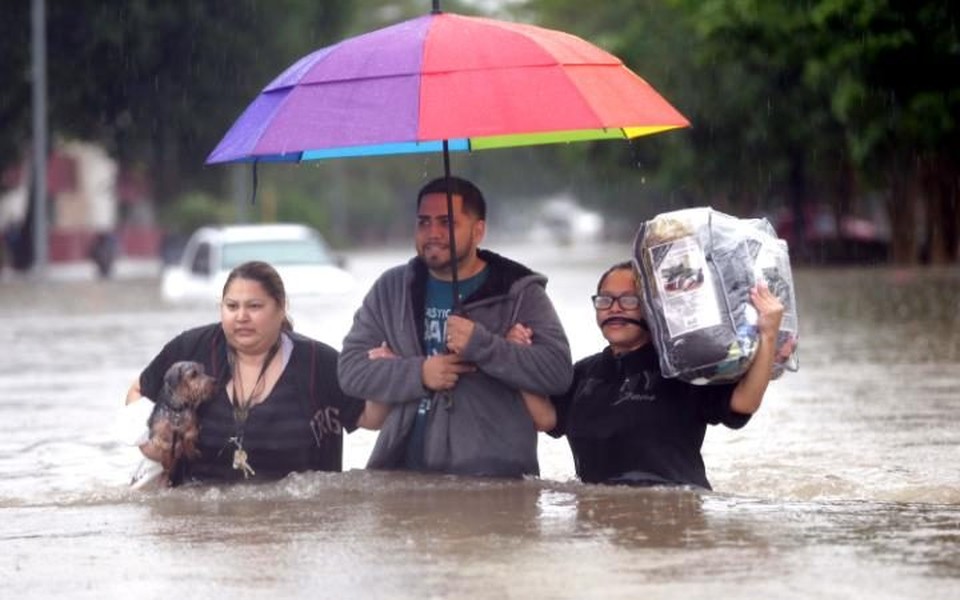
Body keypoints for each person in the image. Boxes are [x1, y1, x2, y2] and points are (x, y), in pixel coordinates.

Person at [337, 176, 573, 478]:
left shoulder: (517, 292)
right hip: (400, 475)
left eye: (447, 222)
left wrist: (483, 345)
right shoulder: (392, 288)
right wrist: (420, 372)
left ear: (478, 231)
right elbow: (351, 372)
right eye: (423, 222)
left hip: (495, 482)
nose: (432, 233)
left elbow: (557, 372)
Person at [125, 260, 387, 486]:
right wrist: (157, 443)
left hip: (296, 524)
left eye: (254, 306)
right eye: (231, 306)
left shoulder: (318, 362)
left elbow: (369, 417)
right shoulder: (191, 350)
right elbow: (138, 391)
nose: (241, 317)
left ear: (281, 307)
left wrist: (385, 374)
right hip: (201, 528)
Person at [547, 261, 785, 490]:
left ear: (653, 308)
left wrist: (769, 334)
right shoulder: (584, 373)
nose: (614, 308)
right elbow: (545, 419)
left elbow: (745, 402)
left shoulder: (683, 367)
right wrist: (512, 354)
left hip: (675, 516)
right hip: (596, 524)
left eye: (629, 300)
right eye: (605, 300)